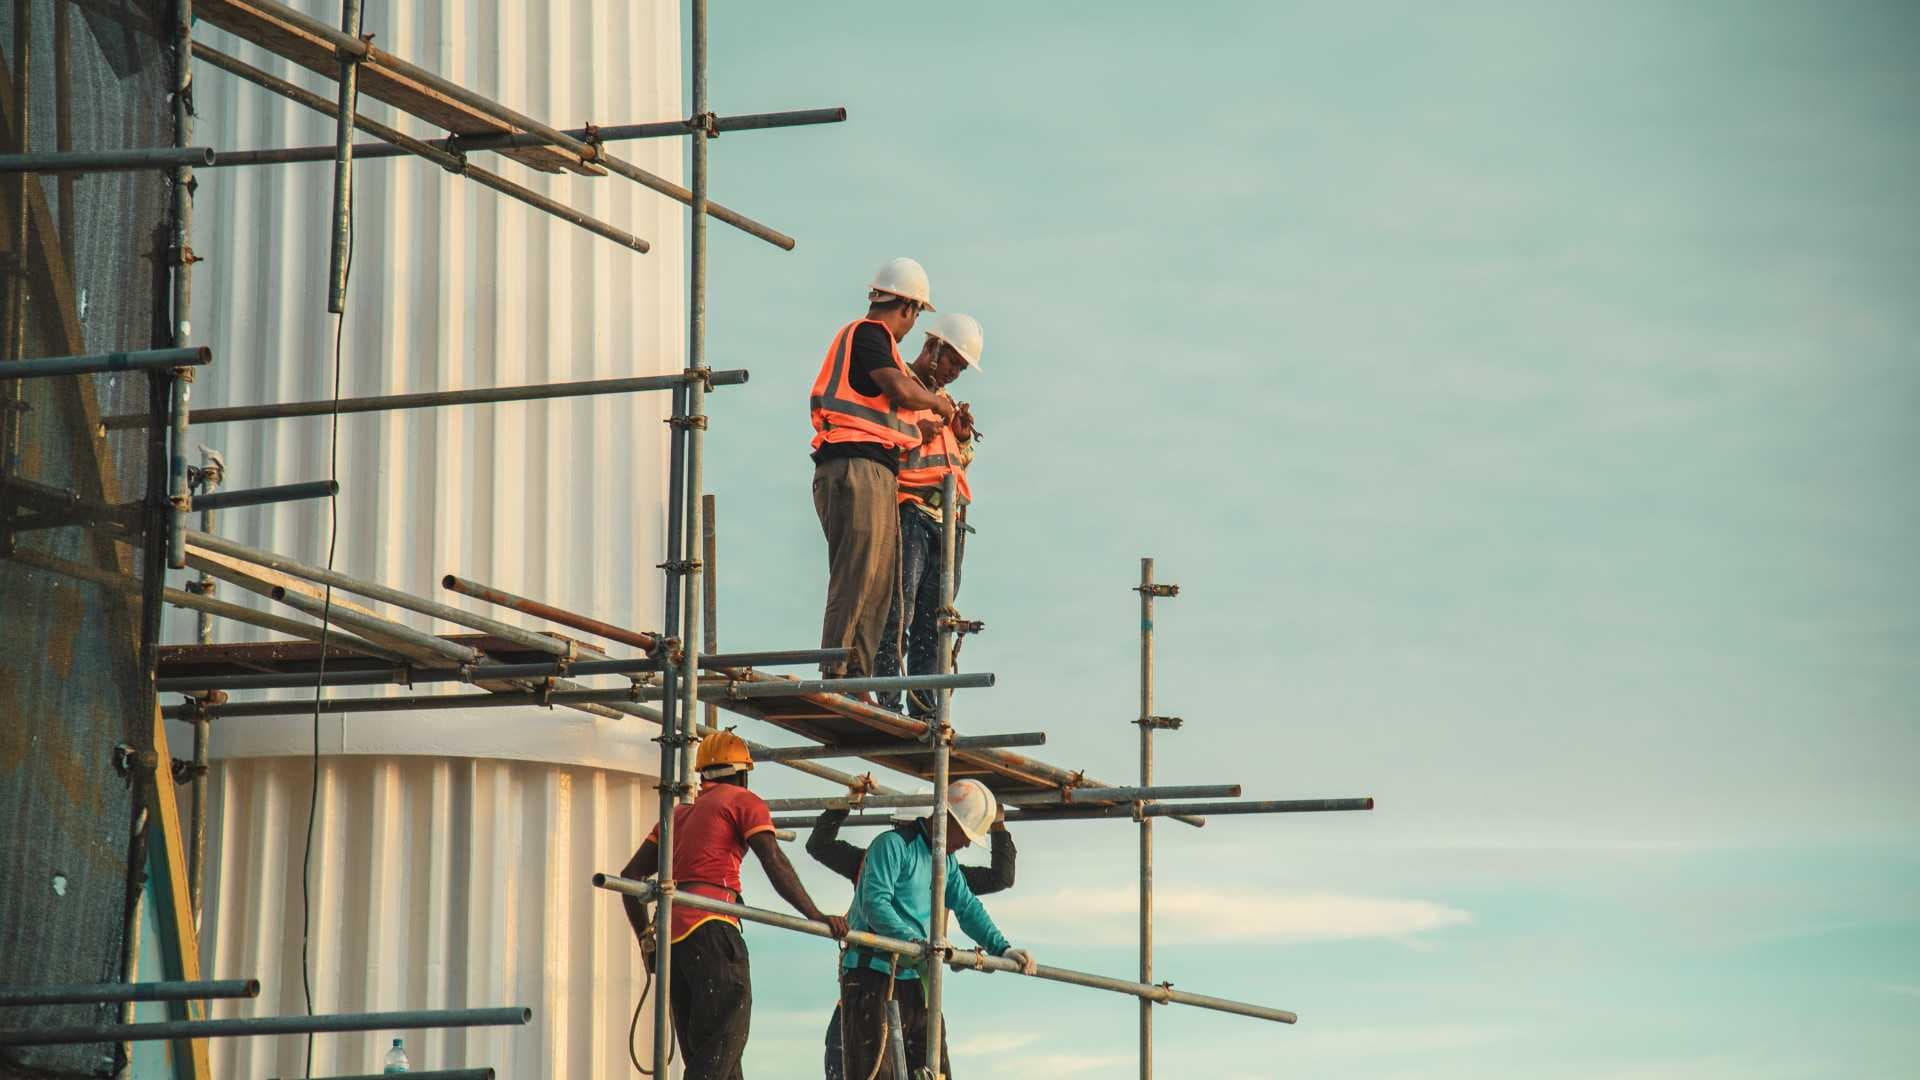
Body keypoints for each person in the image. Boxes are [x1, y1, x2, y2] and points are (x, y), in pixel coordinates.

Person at [619, 731, 850, 1080]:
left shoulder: (678, 815)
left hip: (673, 940)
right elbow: (773, 860)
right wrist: (815, 915)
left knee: (709, 1052)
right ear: (742, 773)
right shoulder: (743, 801)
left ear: (703, 775)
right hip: (712, 927)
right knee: (725, 1037)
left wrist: (646, 939)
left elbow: (630, 877)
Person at [810, 258, 957, 688]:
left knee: (878, 584)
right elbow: (898, 388)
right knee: (856, 574)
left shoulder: (879, 346)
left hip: (872, 469)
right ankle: (837, 673)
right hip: (852, 467)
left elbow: (885, 411)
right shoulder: (869, 334)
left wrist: (923, 426)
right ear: (909, 307)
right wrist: (936, 404)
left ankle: (858, 678)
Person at [837, 779, 1037, 1080]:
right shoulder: (892, 846)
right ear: (947, 819)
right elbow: (874, 904)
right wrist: (914, 943)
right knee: (876, 1073)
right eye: (967, 834)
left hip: (916, 978)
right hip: (873, 976)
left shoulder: (946, 862)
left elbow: (967, 907)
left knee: (935, 1071)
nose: (969, 843)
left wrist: (1002, 948)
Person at [873, 313, 983, 717]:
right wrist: (921, 434)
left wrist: (963, 437)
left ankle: (923, 706)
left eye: (961, 366)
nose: (955, 372)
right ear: (933, 347)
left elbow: (956, 463)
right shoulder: (900, 384)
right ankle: (887, 698)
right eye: (953, 361)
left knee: (934, 622)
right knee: (898, 608)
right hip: (912, 512)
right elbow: (883, 442)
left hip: (948, 521)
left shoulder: (944, 402)